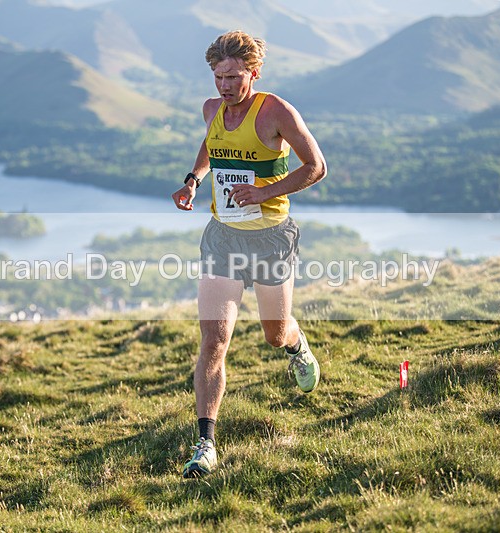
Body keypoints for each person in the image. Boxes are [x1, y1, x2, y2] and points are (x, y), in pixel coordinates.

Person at [171, 30, 327, 479]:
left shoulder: (274, 111)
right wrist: (194, 180)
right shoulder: (211, 109)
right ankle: (205, 444)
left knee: (274, 333)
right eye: (218, 77)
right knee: (214, 341)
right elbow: (211, 146)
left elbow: (315, 167)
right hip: (223, 237)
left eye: (234, 77)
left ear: (253, 74)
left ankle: (297, 346)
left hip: (271, 238)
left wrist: (264, 192)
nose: (224, 86)